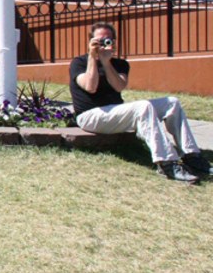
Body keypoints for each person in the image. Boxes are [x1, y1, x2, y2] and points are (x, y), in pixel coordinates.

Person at [69, 23, 210, 182]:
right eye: (99, 40)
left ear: (114, 42)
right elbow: (90, 86)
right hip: (90, 116)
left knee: (172, 102)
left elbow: (119, 86)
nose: (104, 43)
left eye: (108, 40)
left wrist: (106, 62)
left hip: (116, 112)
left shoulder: (120, 64)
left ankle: (191, 156)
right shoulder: (79, 63)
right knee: (143, 106)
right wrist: (92, 58)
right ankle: (166, 163)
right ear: (90, 41)